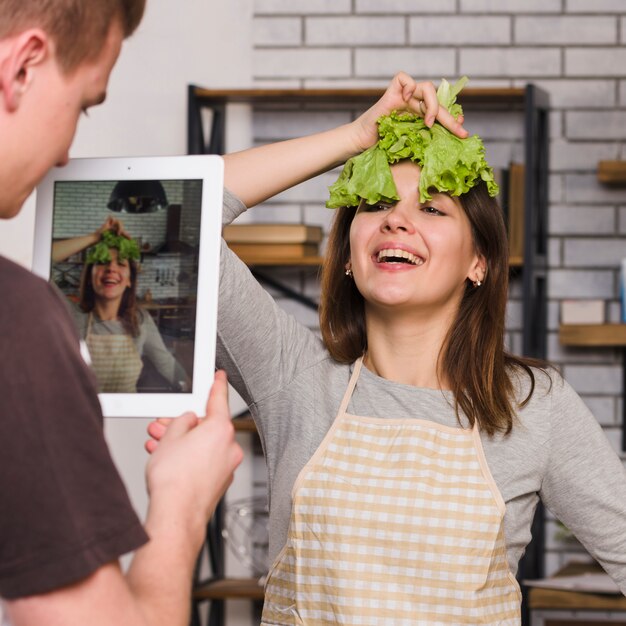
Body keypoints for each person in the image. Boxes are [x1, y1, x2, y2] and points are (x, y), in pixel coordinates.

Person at [150, 73, 626, 623]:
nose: (397, 219)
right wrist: (355, 137)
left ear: (480, 263)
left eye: (432, 208)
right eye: (375, 204)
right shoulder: (293, 379)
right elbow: (162, 211)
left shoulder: (532, 406)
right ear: (349, 255)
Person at [0, 2, 242, 626]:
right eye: (84, 104)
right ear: (21, 66)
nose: (64, 155)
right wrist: (181, 503)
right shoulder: (20, 323)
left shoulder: (133, 328)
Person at [52, 217, 190, 393]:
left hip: (126, 415)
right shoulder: (70, 315)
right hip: (81, 416)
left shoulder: (140, 321)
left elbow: (167, 365)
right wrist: (95, 237)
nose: (111, 268)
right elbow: (39, 258)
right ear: (89, 276)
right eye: (102, 262)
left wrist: (194, 392)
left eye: (121, 263)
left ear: (129, 281)